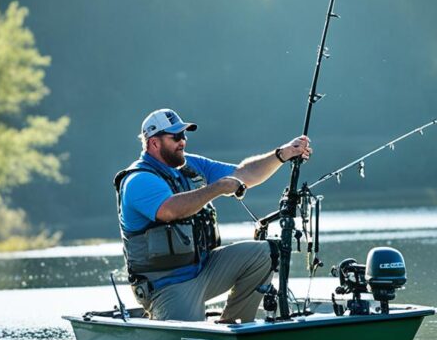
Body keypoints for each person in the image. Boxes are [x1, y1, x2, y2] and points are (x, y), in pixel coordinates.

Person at [114, 108, 312, 322]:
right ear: (154, 143)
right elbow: (170, 210)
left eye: (184, 135)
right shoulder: (138, 180)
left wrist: (282, 154)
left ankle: (235, 327)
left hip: (203, 270)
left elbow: (245, 174)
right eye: (176, 137)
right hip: (167, 284)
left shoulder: (190, 165)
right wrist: (216, 188)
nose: (183, 141)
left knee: (264, 253)